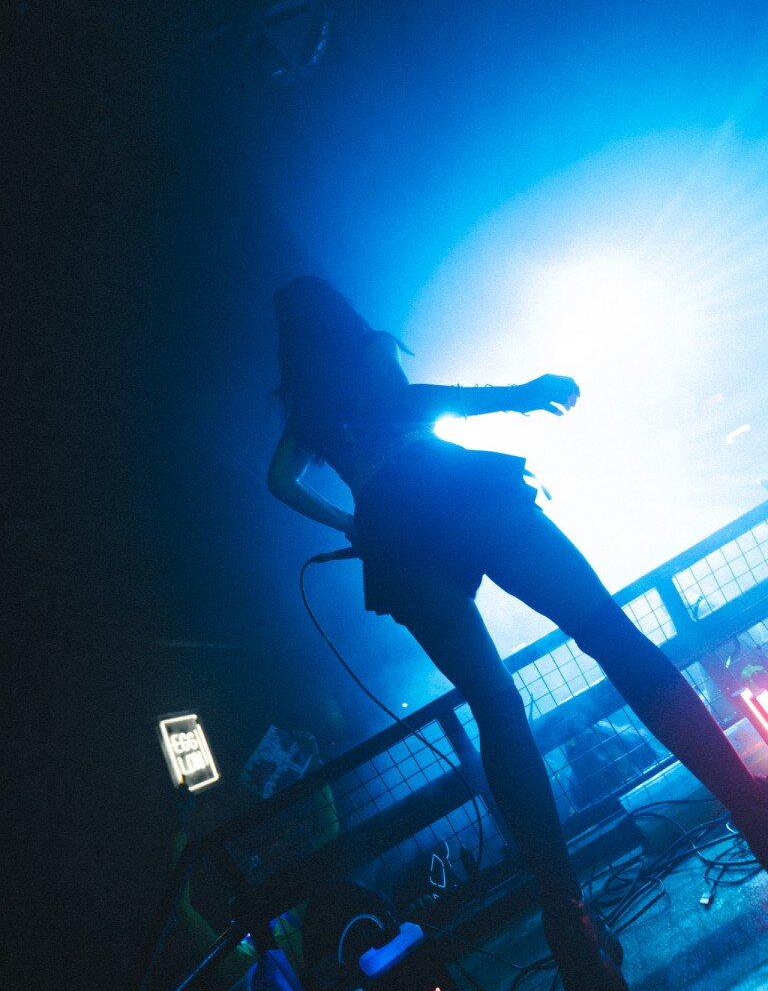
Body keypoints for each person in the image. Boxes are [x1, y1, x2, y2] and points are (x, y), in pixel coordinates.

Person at [267, 276, 768, 991]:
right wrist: (516, 395)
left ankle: (566, 913)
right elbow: (404, 403)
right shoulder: (369, 351)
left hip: (390, 535)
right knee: (609, 634)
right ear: (338, 315)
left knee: (496, 706)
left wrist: (349, 521)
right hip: (444, 487)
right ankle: (750, 808)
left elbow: (278, 481)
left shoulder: (306, 412)